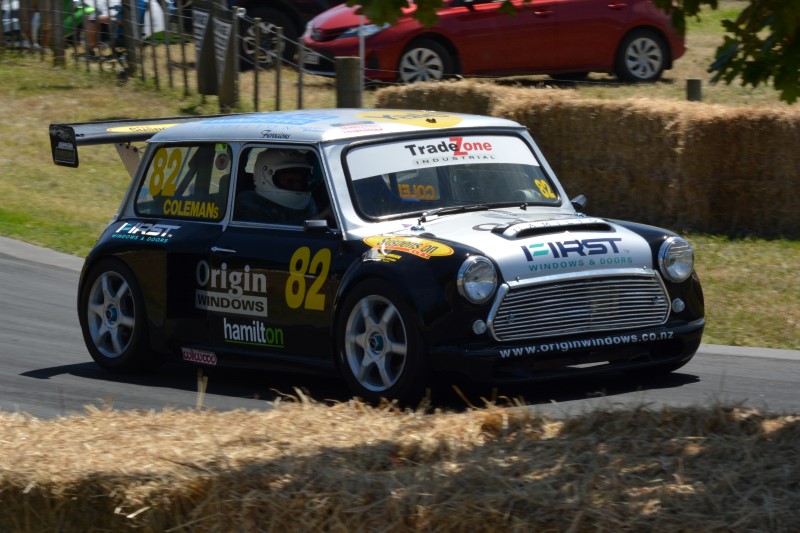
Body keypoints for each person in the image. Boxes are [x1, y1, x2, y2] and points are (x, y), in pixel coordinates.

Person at [236, 149, 318, 225]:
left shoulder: (309, 205)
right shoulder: (249, 205)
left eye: (301, 181)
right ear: (265, 177)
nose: (298, 186)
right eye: (290, 181)